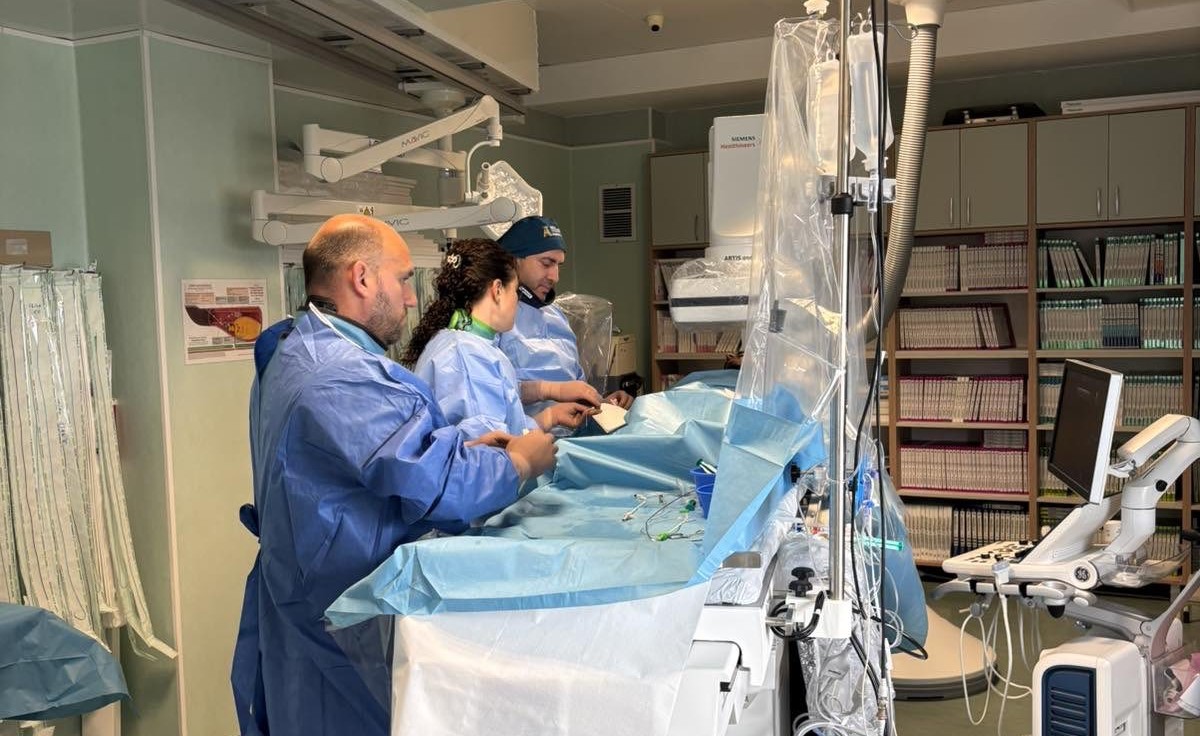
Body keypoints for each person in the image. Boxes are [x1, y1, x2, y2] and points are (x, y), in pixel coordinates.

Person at [231, 215, 555, 736]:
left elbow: (379, 454)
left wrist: (462, 447)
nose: (410, 298)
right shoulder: (343, 376)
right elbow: (441, 488)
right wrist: (520, 462)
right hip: (342, 609)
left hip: (305, 593)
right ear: (362, 278)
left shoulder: (296, 346)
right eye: (403, 279)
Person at [402, 238, 597, 437]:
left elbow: (500, 424)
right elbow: (487, 448)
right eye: (515, 291)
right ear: (497, 290)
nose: (517, 301)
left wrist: (548, 417)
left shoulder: (462, 343)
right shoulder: (467, 356)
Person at [496, 216, 635, 418]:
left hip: (571, 431)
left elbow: (576, 385)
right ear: (512, 261)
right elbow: (489, 391)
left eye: (558, 265)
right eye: (546, 263)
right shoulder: (494, 318)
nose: (555, 277)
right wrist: (548, 391)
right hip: (526, 433)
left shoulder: (556, 317)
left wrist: (601, 403)